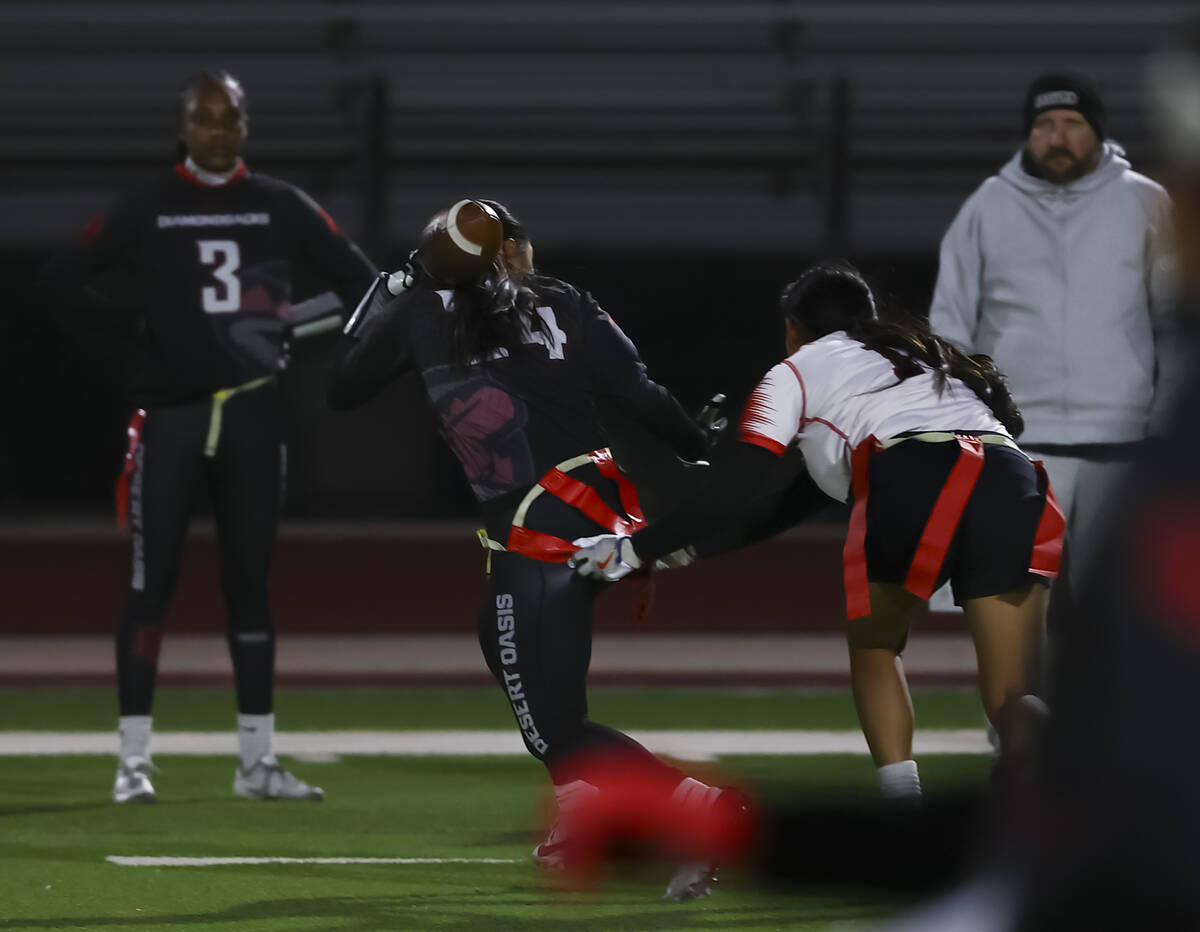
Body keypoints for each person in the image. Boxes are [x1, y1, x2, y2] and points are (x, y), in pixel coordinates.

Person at [327, 197, 749, 901]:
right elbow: (639, 394)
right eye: (511, 246)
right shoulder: (562, 301)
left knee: (553, 719)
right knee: (510, 651)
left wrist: (390, 290)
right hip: (587, 506)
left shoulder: (423, 311)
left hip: (540, 519)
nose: (522, 258)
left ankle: (703, 810)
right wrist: (696, 449)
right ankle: (583, 808)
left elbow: (342, 386)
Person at [572, 261, 1064, 803]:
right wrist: (680, 552)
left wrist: (632, 549)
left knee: (877, 647)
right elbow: (796, 500)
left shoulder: (798, 370)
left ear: (791, 327)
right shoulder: (926, 353)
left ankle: (903, 807)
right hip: (1012, 478)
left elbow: (737, 489)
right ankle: (1051, 805)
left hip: (912, 472)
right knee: (1014, 693)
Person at [41, 71, 377, 803]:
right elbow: (62, 280)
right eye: (205, 119)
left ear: (246, 127)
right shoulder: (149, 205)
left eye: (231, 120)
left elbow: (365, 286)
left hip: (254, 413)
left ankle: (256, 763)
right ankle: (133, 760)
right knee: (148, 584)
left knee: (250, 587)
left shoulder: (279, 204)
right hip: (173, 415)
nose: (218, 132)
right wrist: (133, 353)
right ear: (184, 126)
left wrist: (291, 324)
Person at [928, 72, 1177, 610]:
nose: (1057, 137)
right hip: (1020, 448)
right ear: (1028, 133)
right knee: (1018, 615)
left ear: (1097, 132)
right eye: (1044, 124)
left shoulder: (1146, 203)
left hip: (1122, 446)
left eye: (1071, 123)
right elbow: (948, 326)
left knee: (1124, 615)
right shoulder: (988, 206)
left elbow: (1178, 319)